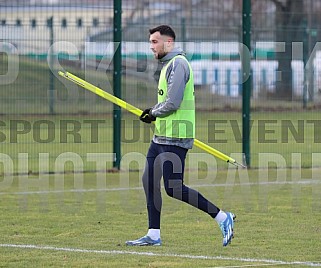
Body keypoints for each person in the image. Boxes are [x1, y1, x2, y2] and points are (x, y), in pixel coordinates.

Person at [125, 25, 235, 247]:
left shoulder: (179, 64)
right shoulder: (167, 66)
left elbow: (173, 103)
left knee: (174, 188)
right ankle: (153, 235)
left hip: (176, 137)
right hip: (160, 137)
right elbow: (168, 100)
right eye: (150, 42)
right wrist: (154, 113)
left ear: (169, 43)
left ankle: (223, 217)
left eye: (155, 42)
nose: (151, 46)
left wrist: (153, 112)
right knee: (149, 181)